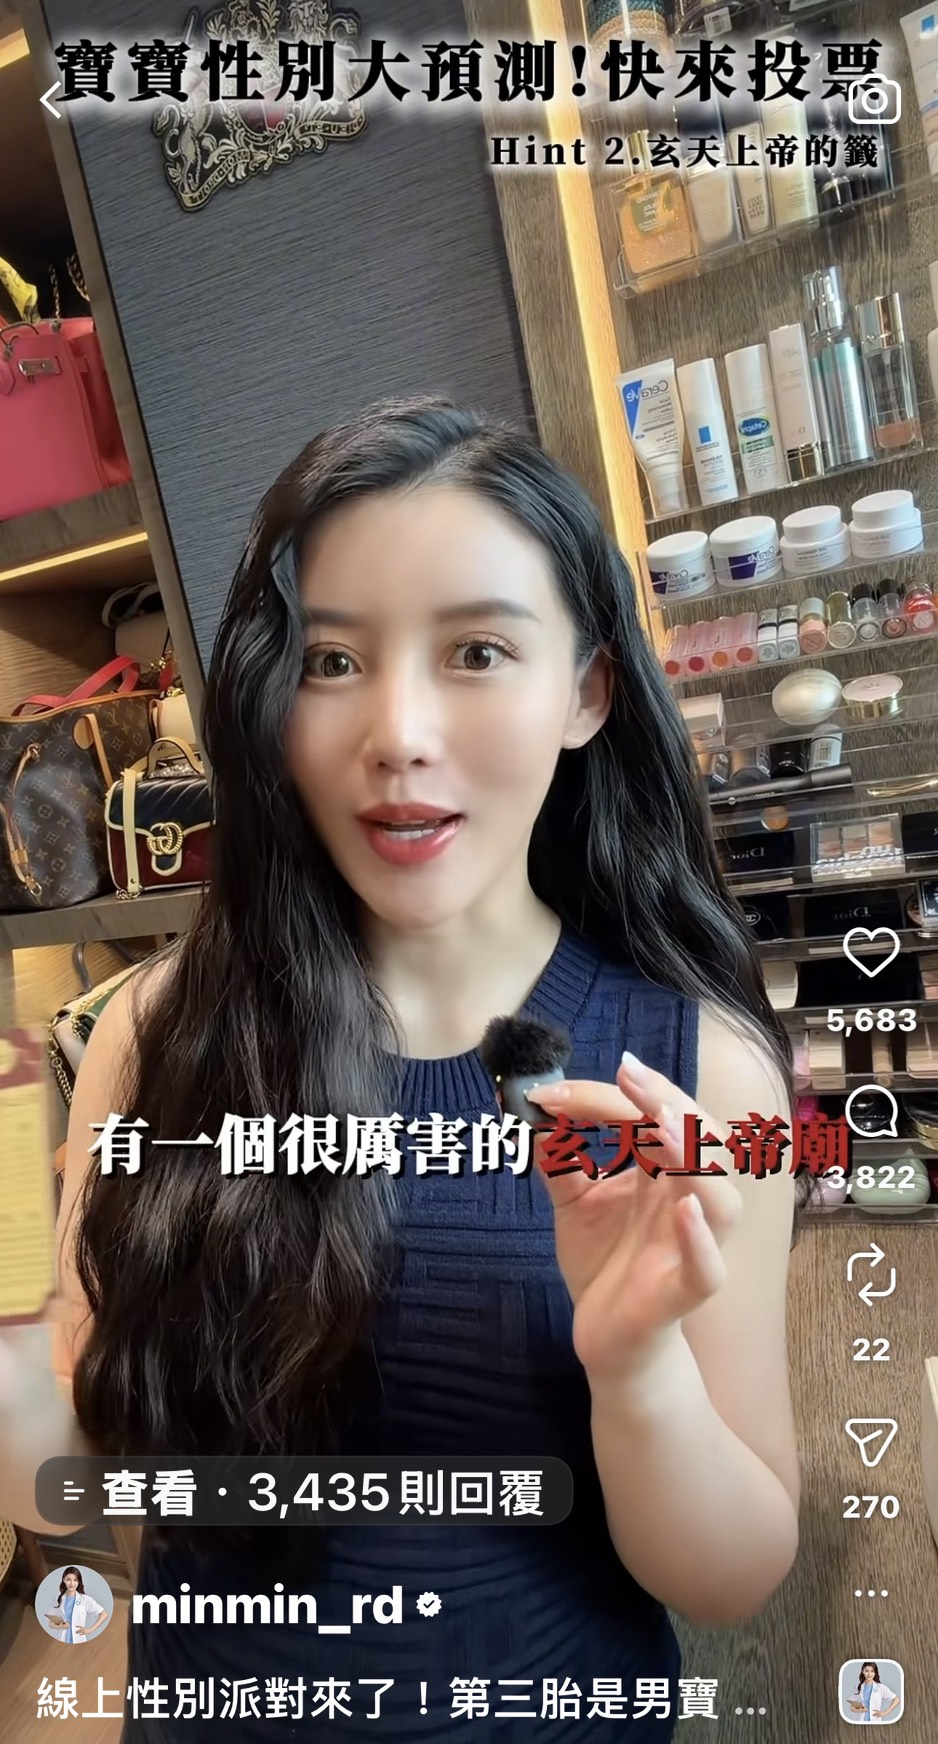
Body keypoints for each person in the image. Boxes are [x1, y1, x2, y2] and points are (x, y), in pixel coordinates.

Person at [6, 397, 799, 1741]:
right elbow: (86, 1484)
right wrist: (24, 1375)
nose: (398, 732)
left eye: (477, 650)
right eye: (331, 661)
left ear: (586, 691)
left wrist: (634, 1371)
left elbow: (729, 1576)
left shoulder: (695, 1074)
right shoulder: (152, 1036)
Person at [44, 1565, 109, 1643]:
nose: (72, 1583)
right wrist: (61, 1626)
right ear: (64, 1580)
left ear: (79, 1581)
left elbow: (104, 1614)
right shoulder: (58, 1600)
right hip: (63, 1638)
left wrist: (91, 1629)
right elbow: (50, 1623)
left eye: (75, 1580)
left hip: (79, 1638)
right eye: (68, 1579)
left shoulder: (85, 1599)